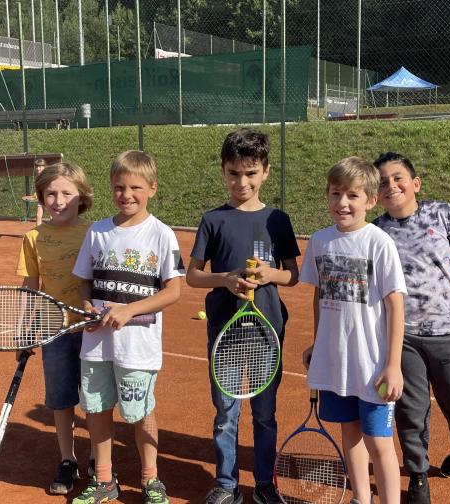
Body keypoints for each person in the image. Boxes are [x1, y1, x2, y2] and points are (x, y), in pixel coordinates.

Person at [186, 128, 300, 504]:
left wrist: (271, 275)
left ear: (265, 172)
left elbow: (293, 275)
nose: (242, 182)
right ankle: (226, 484)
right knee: (225, 416)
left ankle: (264, 485)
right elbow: (193, 275)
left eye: (250, 173)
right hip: (225, 333)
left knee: (265, 415)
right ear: (223, 172)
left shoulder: (278, 220)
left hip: (267, 332)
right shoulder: (212, 220)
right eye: (234, 173)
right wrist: (225, 279)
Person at [372, 152, 450, 504]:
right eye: (382, 182)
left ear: (415, 184)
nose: (391, 185)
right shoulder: (377, 231)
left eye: (397, 178)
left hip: (449, 330)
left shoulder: (443, 214)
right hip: (403, 336)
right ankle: (418, 475)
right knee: (411, 408)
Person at [70, 150, 184, 504]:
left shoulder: (162, 235)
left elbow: (174, 290)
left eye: (136, 187)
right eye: (119, 187)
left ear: (152, 188)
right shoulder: (98, 231)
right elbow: (83, 282)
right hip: (96, 346)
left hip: (138, 347)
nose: (126, 194)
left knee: (141, 412)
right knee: (97, 410)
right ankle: (104, 479)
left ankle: (150, 479)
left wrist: (129, 310)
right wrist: (87, 306)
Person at [299, 156, 407, 504]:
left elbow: (396, 306)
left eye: (352, 196)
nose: (342, 203)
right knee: (351, 433)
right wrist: (318, 344)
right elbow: (320, 296)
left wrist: (393, 365)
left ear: (370, 200)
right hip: (337, 362)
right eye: (335, 194)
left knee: (379, 442)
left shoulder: (379, 243)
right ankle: (361, 498)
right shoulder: (319, 241)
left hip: (372, 365)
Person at [15, 162, 94, 495]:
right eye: (51, 193)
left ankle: (99, 459)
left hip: (93, 331)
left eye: (66, 192)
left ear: (82, 197)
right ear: (41, 198)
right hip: (54, 332)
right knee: (61, 401)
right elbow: (31, 285)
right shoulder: (34, 237)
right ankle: (67, 459)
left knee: (96, 400)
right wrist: (24, 331)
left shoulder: (96, 232)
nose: (58, 200)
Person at [21, 158, 48, 226]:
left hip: (48, 198)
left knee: (52, 216)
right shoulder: (37, 177)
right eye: (36, 166)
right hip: (41, 199)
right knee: (38, 216)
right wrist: (37, 194)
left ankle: (55, 233)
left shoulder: (48, 176)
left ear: (44, 167)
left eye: (40, 166)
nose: (38, 168)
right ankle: (38, 232)